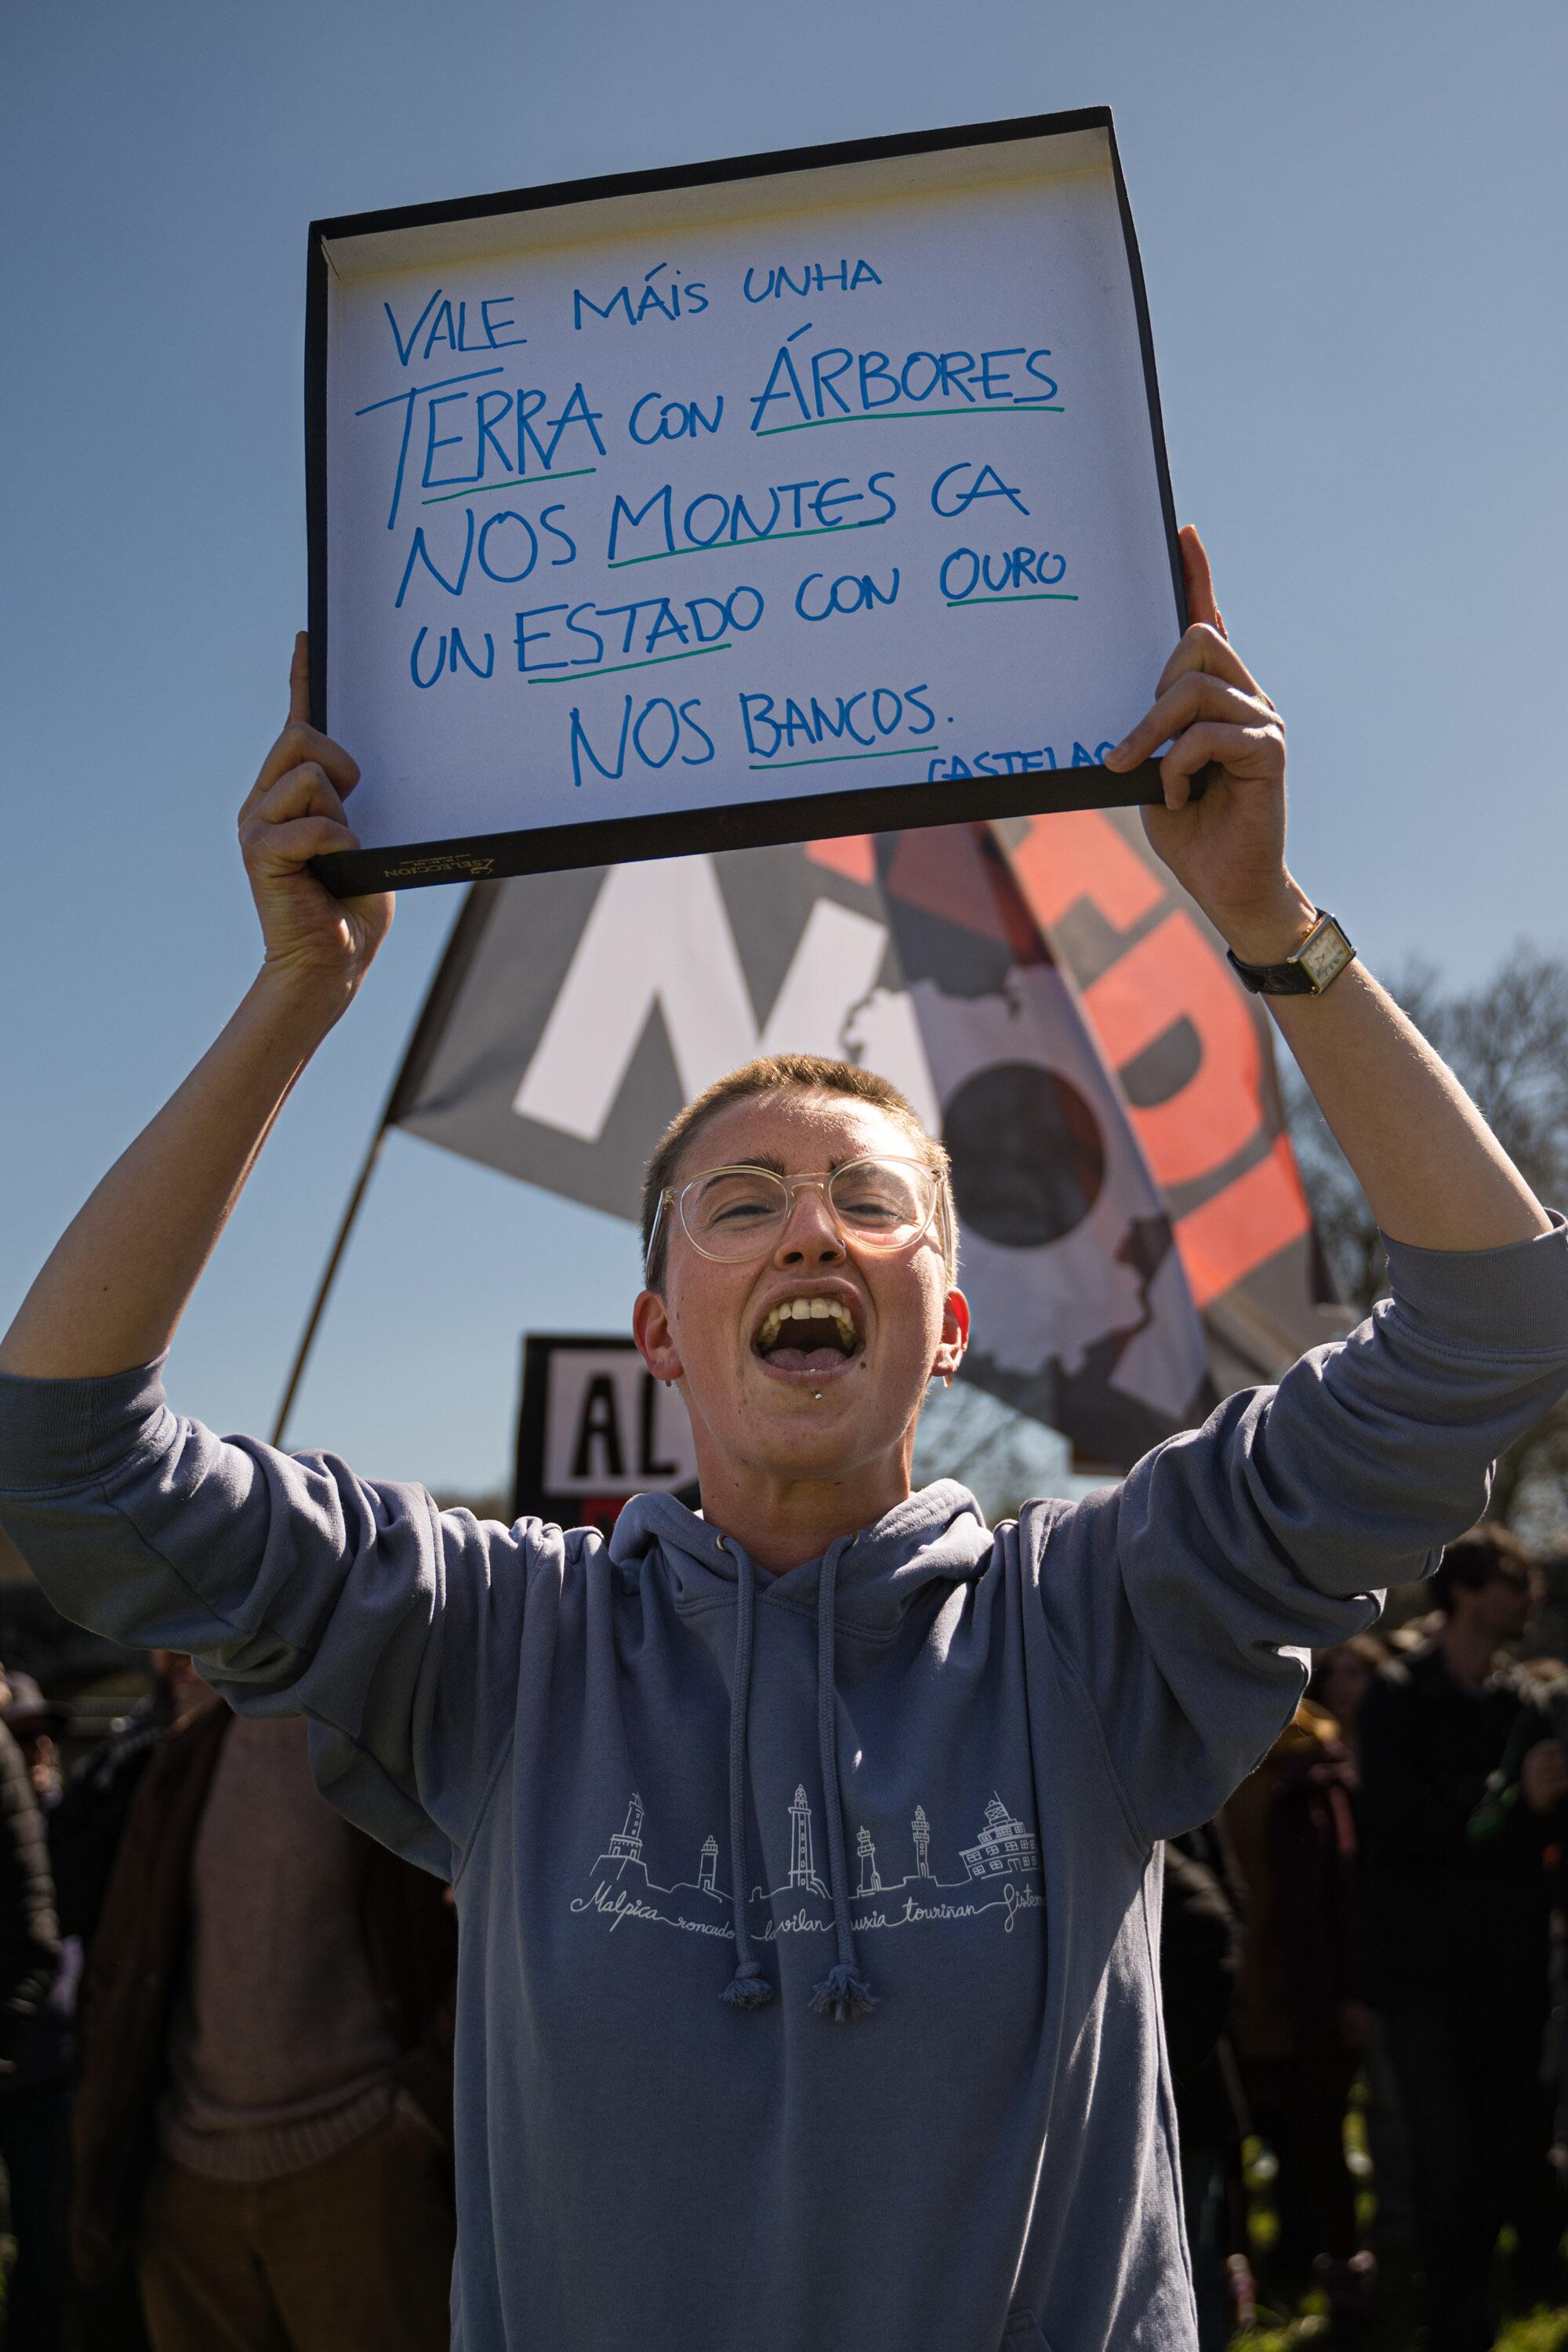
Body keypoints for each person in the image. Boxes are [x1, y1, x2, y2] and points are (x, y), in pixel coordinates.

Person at [0, 527, 1564, 2352]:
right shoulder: (502, 1640)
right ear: (658, 1329)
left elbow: (1491, 1326)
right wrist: (296, 996)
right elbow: (66, 1455)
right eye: (737, 1203)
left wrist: (1267, 926)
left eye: (868, 1202)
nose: (811, 1228)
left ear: (948, 1320)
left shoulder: (1101, 1614)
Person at [67, 1680, 459, 2352]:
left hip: (360, 2185)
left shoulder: (399, 1742)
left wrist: (420, 2106)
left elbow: (497, 1932)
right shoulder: (189, 1754)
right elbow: (122, 1972)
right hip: (191, 2199)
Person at [1359, 1524, 1568, 2352]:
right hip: (1422, 1980)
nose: (1530, 1599)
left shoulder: (1524, 1702)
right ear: (1465, 1594)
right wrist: (1515, 1802)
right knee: (1440, 2165)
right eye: (1512, 1584)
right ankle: (1450, 2325)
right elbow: (1398, 1831)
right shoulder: (1396, 1696)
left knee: (1502, 2155)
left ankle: (1489, 2304)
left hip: (1511, 1975)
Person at [0, 1686, 66, 2350]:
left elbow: (34, 1925)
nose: (37, 1749)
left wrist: (8, 2039)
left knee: (46, 2249)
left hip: (35, 2069)